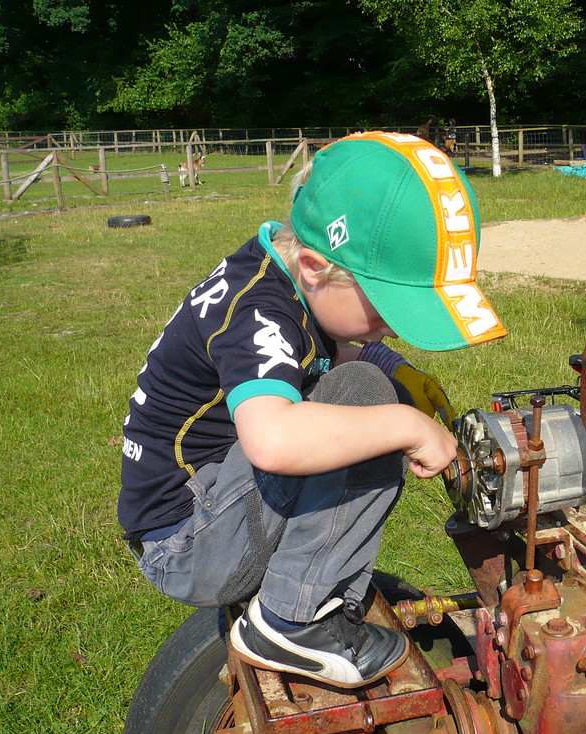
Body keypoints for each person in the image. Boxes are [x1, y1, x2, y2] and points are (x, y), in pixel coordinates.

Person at [118, 131, 507, 689]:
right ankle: (290, 621)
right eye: (384, 308)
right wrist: (406, 422)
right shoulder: (257, 312)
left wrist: (401, 371)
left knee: (370, 378)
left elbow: (324, 341)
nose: (392, 325)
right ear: (313, 265)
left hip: (197, 513)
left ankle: (299, 600)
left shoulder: (280, 278)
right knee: (363, 395)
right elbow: (272, 438)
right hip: (186, 545)